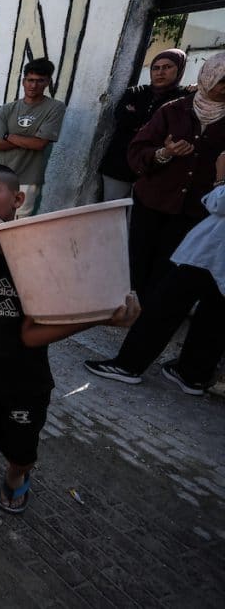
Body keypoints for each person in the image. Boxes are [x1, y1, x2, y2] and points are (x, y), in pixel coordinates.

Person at [0, 163, 139, 581]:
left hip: (26, 380)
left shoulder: (42, 248)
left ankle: (16, 477)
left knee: (21, 453)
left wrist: (104, 316)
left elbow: (33, 333)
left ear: (18, 200)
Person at [85, 152, 225, 395]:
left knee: (166, 303)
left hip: (213, 250)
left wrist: (221, 178)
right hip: (215, 251)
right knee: (215, 310)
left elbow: (220, 204)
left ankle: (128, 365)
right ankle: (192, 374)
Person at [126, 52, 225, 300]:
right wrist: (164, 152)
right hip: (154, 199)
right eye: (222, 81)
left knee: (171, 262)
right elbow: (138, 150)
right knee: (139, 255)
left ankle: (151, 309)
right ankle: (130, 305)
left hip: (194, 207)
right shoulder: (173, 110)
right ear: (209, 77)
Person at [99, 49, 188, 201]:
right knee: (111, 214)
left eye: (167, 67)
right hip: (119, 164)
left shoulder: (183, 99)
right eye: (156, 68)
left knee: (137, 219)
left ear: (179, 69)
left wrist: (140, 120)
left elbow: (173, 129)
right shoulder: (135, 92)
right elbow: (122, 118)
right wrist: (153, 125)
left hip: (154, 170)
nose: (160, 72)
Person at [0, 58, 66, 219]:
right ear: (23, 81)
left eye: (40, 81)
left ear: (47, 82)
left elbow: (39, 144)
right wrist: (28, 140)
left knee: (19, 223)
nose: (33, 85)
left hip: (28, 177)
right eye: (30, 80)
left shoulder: (55, 108)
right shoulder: (7, 109)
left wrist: (8, 136)